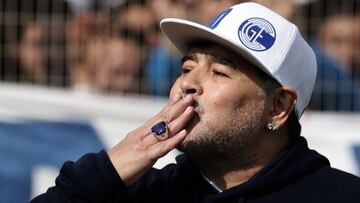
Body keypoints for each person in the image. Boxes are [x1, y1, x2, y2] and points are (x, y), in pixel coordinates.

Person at [30, 2, 360, 203]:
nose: (187, 83)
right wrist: (104, 172)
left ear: (278, 107)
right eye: (187, 67)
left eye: (218, 72)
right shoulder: (143, 195)